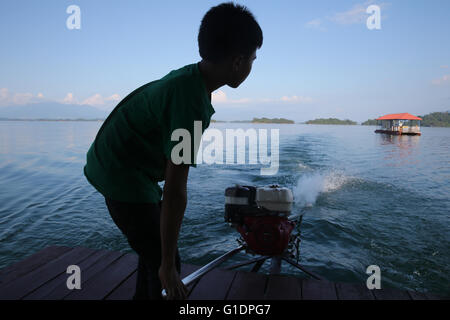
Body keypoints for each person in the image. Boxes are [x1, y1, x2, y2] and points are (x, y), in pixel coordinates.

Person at [83, 2, 263, 300]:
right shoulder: (191, 103)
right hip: (120, 173)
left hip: (120, 165)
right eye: (253, 60)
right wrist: (168, 265)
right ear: (237, 61)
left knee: (154, 249)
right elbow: (176, 189)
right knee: (167, 262)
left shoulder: (189, 80)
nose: (251, 67)